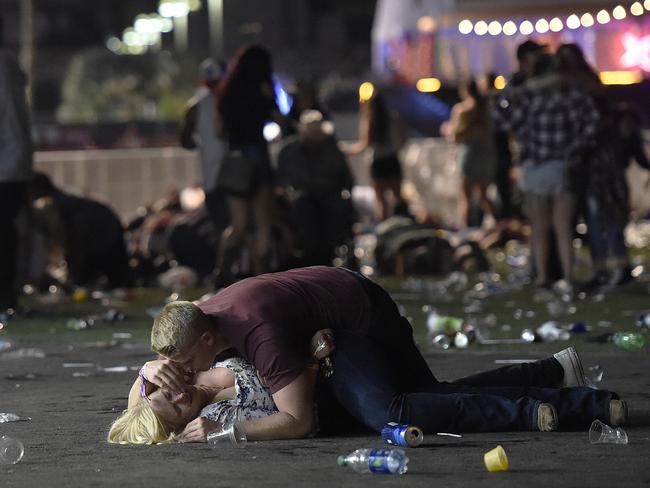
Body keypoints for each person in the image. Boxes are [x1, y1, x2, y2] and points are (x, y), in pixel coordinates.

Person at [140, 266, 626, 441]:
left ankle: (546, 410)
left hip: (357, 319)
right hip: (334, 313)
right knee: (428, 396)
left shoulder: (254, 335)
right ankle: (553, 374)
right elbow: (147, 388)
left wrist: (226, 433)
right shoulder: (196, 322)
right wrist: (153, 373)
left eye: (182, 364)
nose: (179, 378)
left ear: (206, 342)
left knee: (392, 410)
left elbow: (299, 419)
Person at [109, 330, 331, 444]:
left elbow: (136, 406)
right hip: (326, 373)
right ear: (183, 427)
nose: (181, 397)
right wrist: (311, 361)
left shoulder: (188, 370)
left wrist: (145, 372)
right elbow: (300, 418)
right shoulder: (219, 416)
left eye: (168, 394)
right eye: (178, 410)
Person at [493, 53, 600, 289]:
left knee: (539, 228)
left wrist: (513, 87)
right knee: (564, 227)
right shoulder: (572, 95)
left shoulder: (530, 97)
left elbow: (503, 121)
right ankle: (568, 277)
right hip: (563, 166)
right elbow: (593, 121)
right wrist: (575, 150)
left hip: (535, 168)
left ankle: (542, 277)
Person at [214, 44, 283, 287]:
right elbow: (281, 121)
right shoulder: (262, 91)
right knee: (263, 222)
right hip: (258, 156)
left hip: (236, 159)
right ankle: (260, 279)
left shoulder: (227, 93)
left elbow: (218, 130)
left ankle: (222, 270)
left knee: (239, 224)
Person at [276, 110, 356, 266]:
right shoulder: (289, 151)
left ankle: (328, 254)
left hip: (330, 196)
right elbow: (282, 181)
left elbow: (346, 178)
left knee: (335, 213)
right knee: (303, 211)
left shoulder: (331, 149)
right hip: (303, 198)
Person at [28, 172, 131, 289]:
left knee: (114, 279)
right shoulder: (61, 199)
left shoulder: (60, 206)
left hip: (104, 234)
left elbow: (76, 243)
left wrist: (74, 274)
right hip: (104, 231)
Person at [0, 16, 33, 313]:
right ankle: (7, 293)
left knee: (4, 233)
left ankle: (5, 294)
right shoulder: (9, 64)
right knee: (6, 232)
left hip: (6, 165)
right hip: (14, 162)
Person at [180, 58, 230, 246]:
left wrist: (203, 142)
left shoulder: (195, 106)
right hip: (236, 177)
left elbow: (186, 142)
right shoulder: (232, 101)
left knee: (222, 229)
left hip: (212, 179)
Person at [343, 91, 406, 221]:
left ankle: (385, 227)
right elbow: (403, 137)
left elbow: (365, 144)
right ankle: (403, 222)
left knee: (381, 201)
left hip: (378, 161)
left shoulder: (370, 120)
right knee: (398, 197)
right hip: (392, 159)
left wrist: (347, 150)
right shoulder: (392, 117)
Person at [442, 78, 496, 228]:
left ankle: (466, 231)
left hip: (469, 154)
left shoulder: (462, 110)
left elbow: (456, 136)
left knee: (465, 197)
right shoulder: (486, 109)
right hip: (486, 153)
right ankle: (498, 223)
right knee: (484, 195)